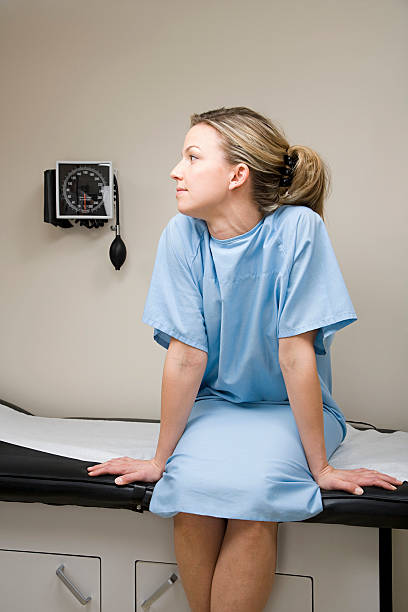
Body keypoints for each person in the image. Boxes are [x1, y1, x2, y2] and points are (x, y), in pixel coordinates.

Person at [87, 106, 402, 612]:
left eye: (192, 157)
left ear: (238, 174)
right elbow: (187, 358)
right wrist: (159, 459)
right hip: (216, 406)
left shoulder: (298, 230)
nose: (175, 170)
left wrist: (319, 466)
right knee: (190, 492)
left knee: (254, 494)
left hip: (288, 409)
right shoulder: (182, 236)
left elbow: (295, 355)